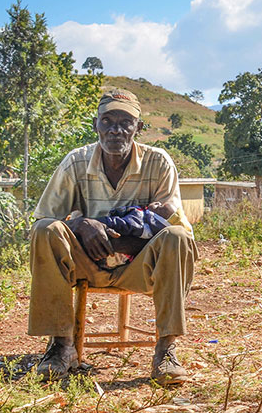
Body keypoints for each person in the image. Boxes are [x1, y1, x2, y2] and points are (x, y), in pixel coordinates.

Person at [28, 88, 198, 385]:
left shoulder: (158, 162)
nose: (115, 130)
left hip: (139, 266)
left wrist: (115, 240)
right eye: (107, 121)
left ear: (139, 128)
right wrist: (82, 226)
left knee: (177, 238)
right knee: (45, 230)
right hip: (86, 263)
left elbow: (170, 223)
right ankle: (61, 346)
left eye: (125, 122)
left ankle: (166, 350)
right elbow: (44, 217)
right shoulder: (75, 162)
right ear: (96, 125)